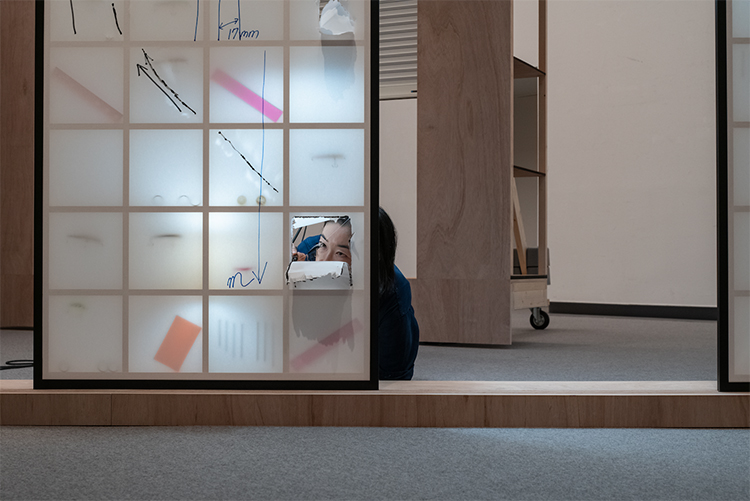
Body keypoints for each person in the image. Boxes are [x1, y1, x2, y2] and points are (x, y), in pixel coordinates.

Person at [377, 207, 419, 380]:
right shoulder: (311, 250)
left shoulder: (393, 294)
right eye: (323, 245)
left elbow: (394, 376)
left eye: (341, 251)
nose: (326, 259)